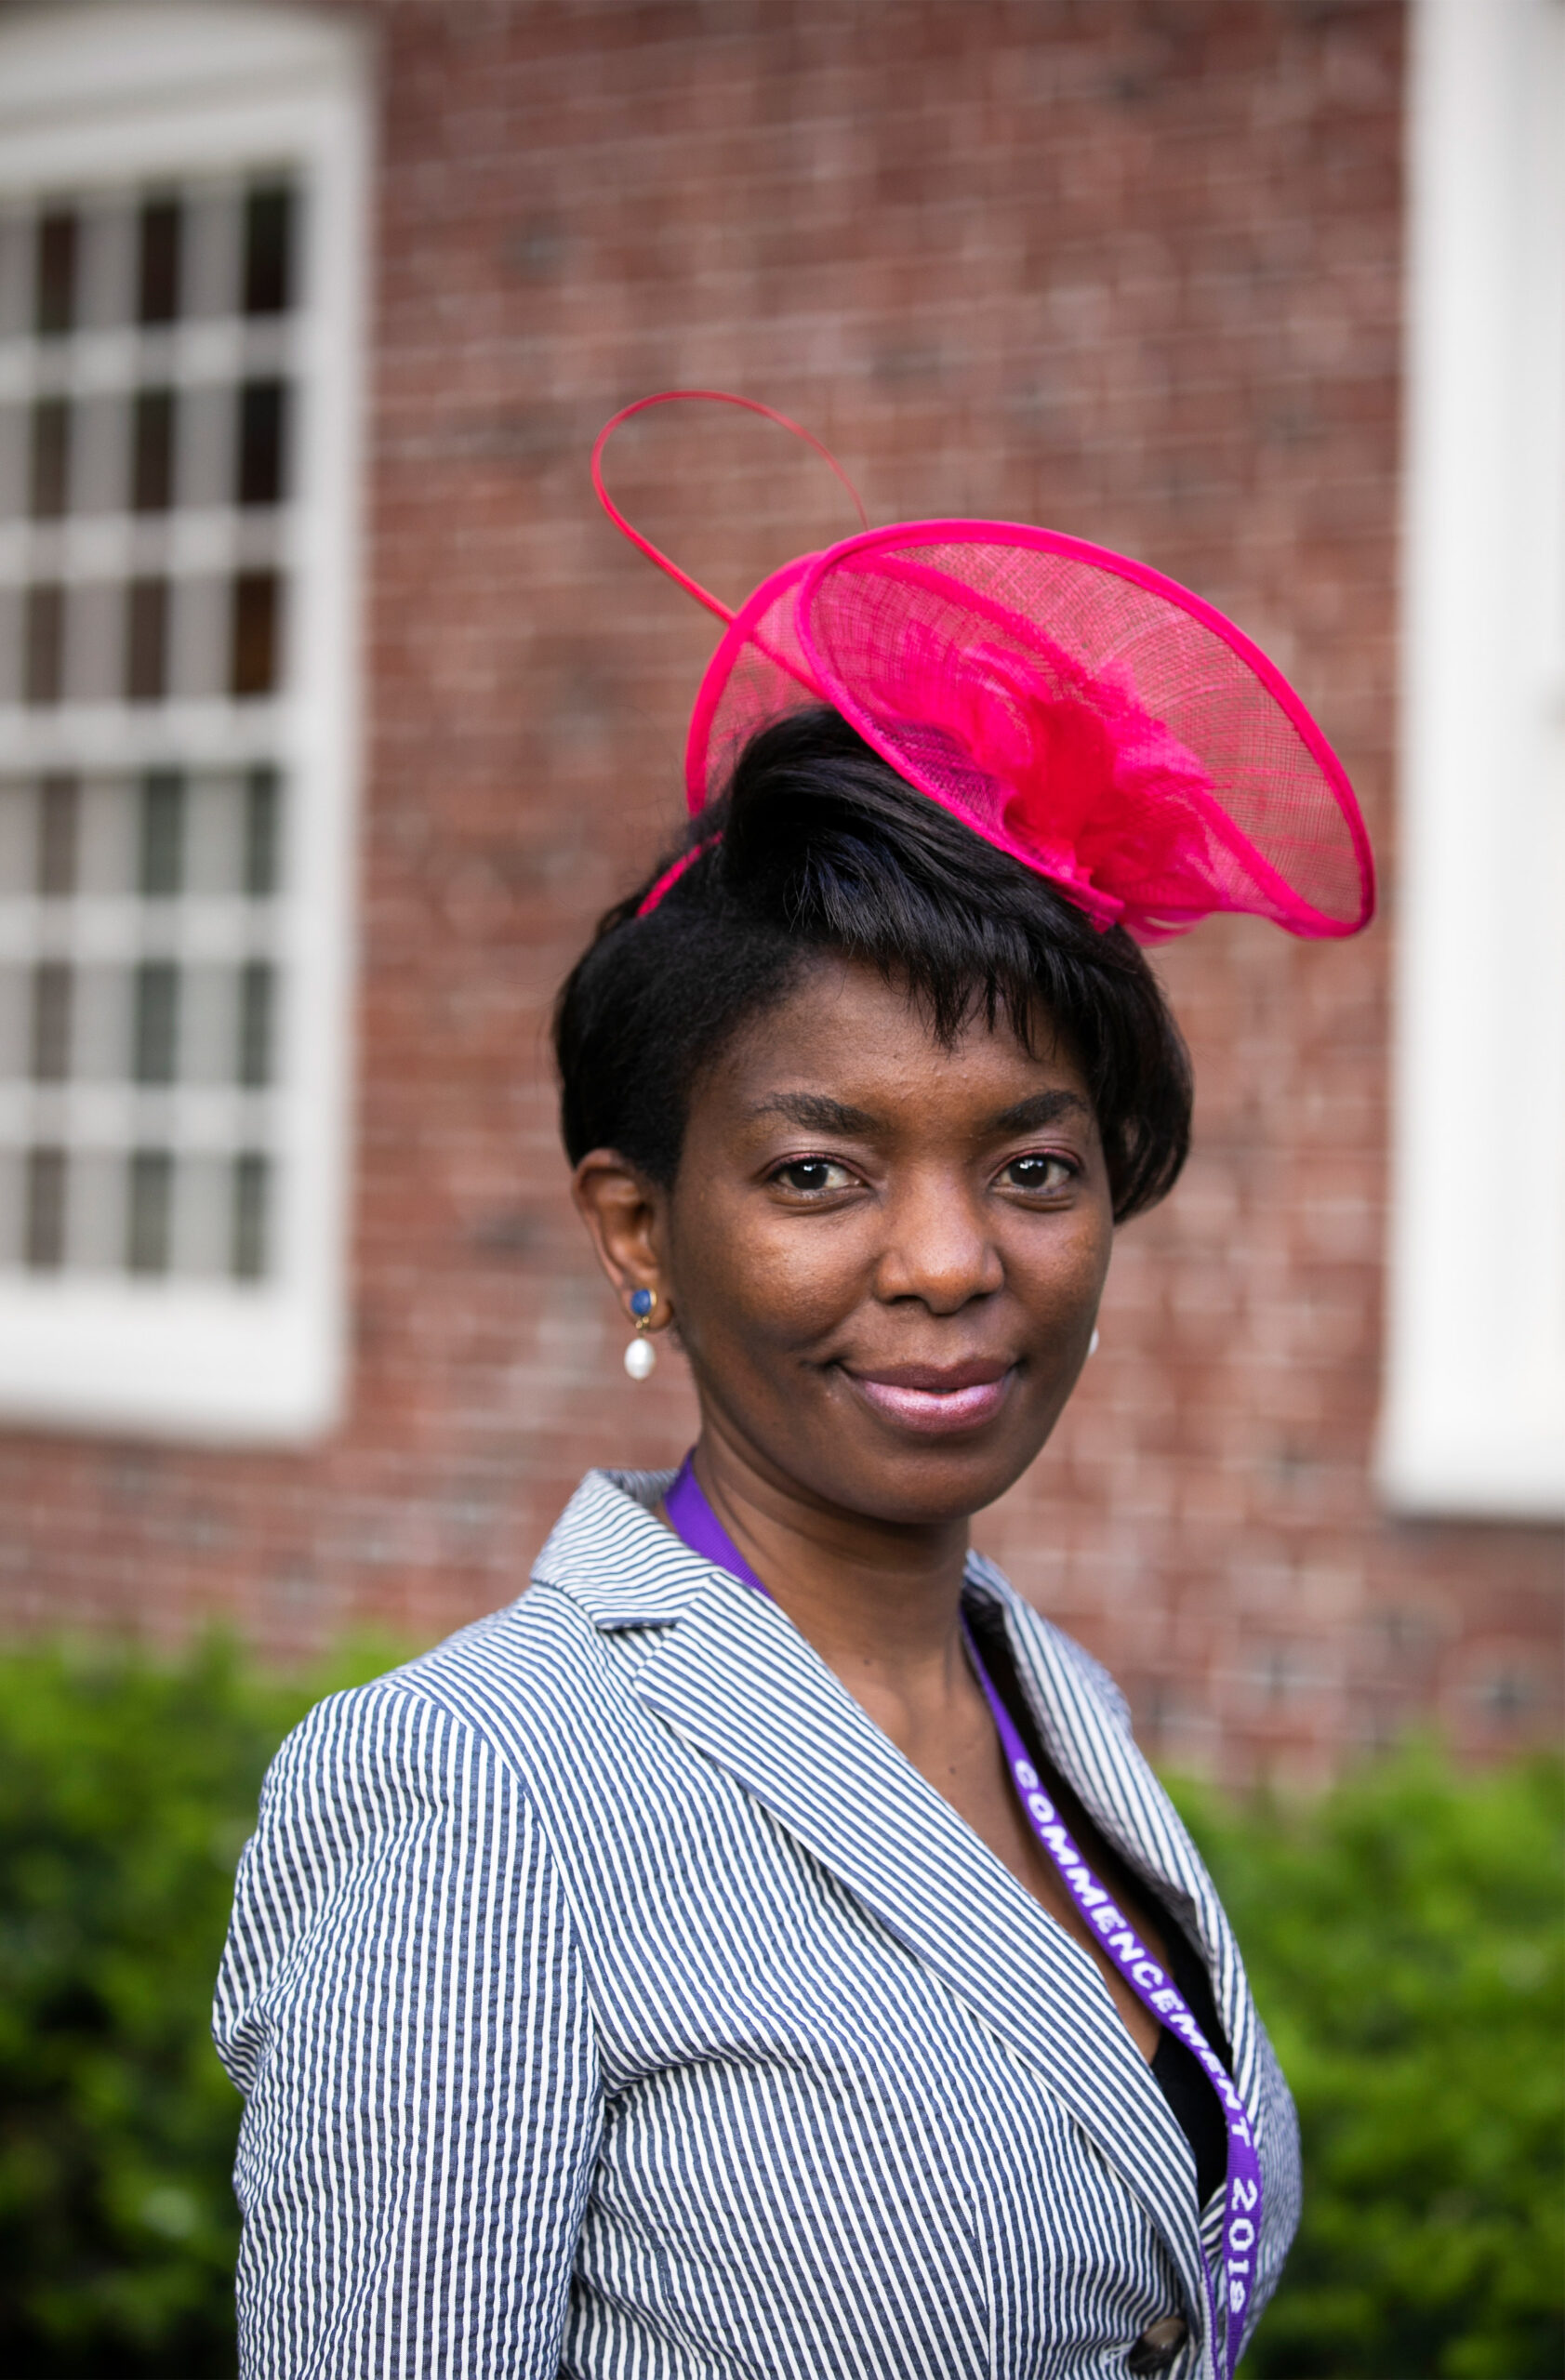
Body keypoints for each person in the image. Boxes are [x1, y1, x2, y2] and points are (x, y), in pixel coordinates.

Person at [215, 396, 1373, 2379]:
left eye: (1031, 1164)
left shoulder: (1048, 1708)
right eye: (817, 1170)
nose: (945, 1260)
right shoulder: (476, 1788)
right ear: (635, 1226)